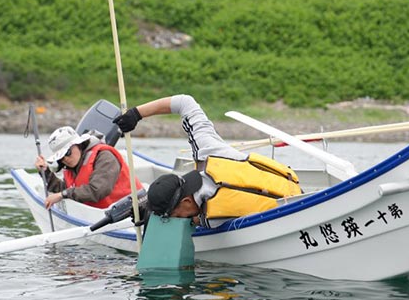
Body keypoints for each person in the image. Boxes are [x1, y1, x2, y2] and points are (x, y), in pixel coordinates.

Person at [113, 95, 301, 227]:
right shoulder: (209, 149)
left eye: (173, 216)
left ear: (186, 201)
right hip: (297, 191)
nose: (176, 220)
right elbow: (185, 102)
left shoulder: (213, 219)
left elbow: (193, 220)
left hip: (287, 216)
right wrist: (136, 114)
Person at [35, 126, 142, 210]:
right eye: (61, 157)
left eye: (67, 152)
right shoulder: (73, 166)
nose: (65, 159)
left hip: (132, 212)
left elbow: (97, 191)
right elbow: (67, 189)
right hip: (101, 214)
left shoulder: (105, 157)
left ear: (78, 144)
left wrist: (62, 195)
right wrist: (46, 172)